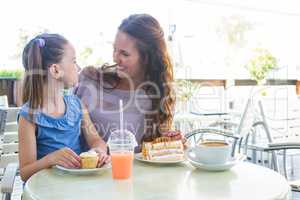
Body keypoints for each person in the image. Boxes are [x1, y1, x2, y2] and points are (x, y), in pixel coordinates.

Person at [75, 14, 183, 151]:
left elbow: (154, 149)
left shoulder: (158, 95)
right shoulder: (90, 79)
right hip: (86, 170)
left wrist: (172, 142)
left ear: (147, 58)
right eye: (114, 49)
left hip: (131, 171)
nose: (115, 58)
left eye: (124, 54)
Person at [18, 33, 109, 182]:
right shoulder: (29, 116)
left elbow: (96, 140)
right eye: (73, 61)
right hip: (45, 190)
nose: (78, 67)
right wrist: (51, 159)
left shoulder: (77, 105)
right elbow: (25, 172)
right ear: (55, 70)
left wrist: (98, 151)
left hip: (76, 186)